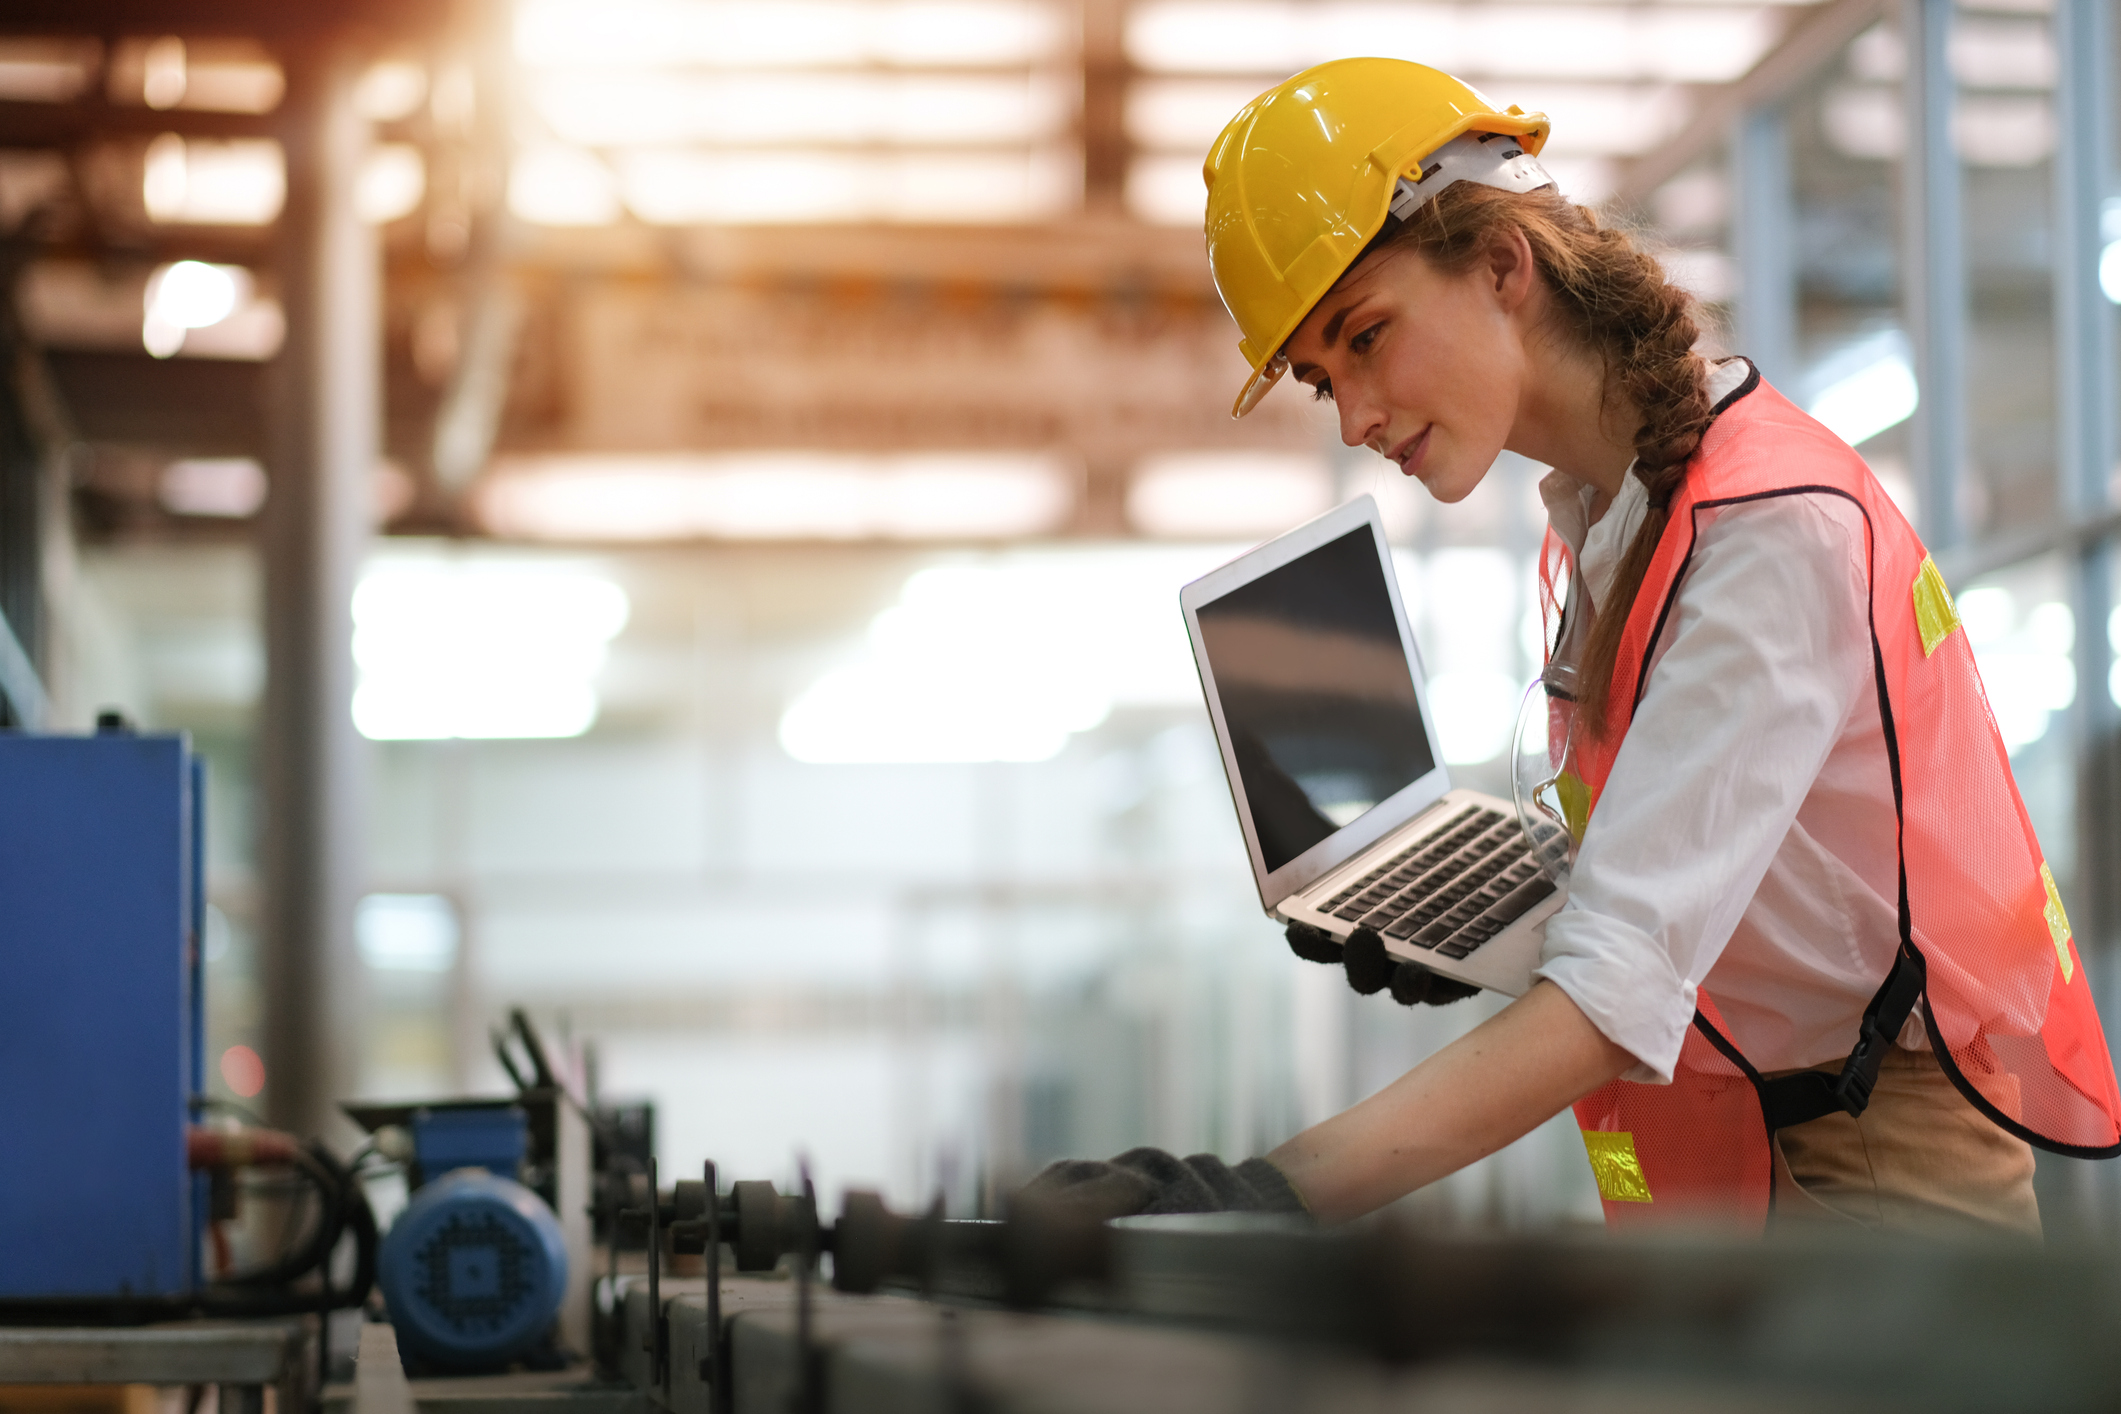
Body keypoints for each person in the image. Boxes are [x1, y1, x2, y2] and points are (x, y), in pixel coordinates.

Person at [1027, 58, 2121, 1238]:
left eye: (1367, 336)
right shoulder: (1611, 518)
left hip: (1871, 1180)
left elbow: (1614, 995)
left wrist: (1260, 1194)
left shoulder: (1767, 532)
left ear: (1503, 264)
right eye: (1320, 381)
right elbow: (1713, 886)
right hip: (1751, 1148)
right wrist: (1508, 921)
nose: (1354, 417)